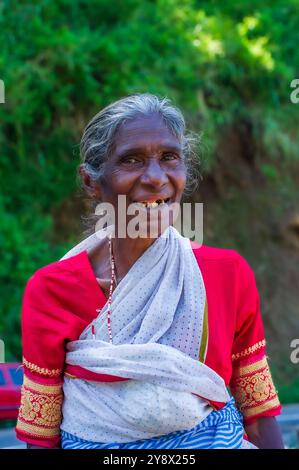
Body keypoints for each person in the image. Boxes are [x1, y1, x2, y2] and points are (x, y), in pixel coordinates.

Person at [16, 94, 283, 449]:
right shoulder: (52, 290)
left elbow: (259, 412)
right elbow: (41, 434)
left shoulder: (227, 275)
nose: (157, 178)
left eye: (169, 158)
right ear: (90, 181)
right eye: (132, 160)